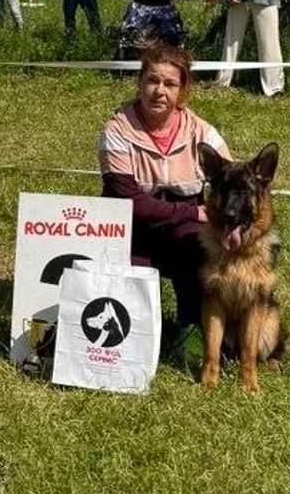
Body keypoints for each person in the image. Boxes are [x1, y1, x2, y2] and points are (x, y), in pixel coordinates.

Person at [98, 44, 232, 368]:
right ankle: (136, 335)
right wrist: (191, 211)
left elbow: (231, 183)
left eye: (170, 84)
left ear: (183, 90)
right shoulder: (116, 131)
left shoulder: (203, 134)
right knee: (131, 278)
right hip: (132, 227)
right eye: (152, 81)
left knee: (197, 251)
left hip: (181, 231)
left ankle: (190, 330)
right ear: (140, 83)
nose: (159, 91)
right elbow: (128, 201)